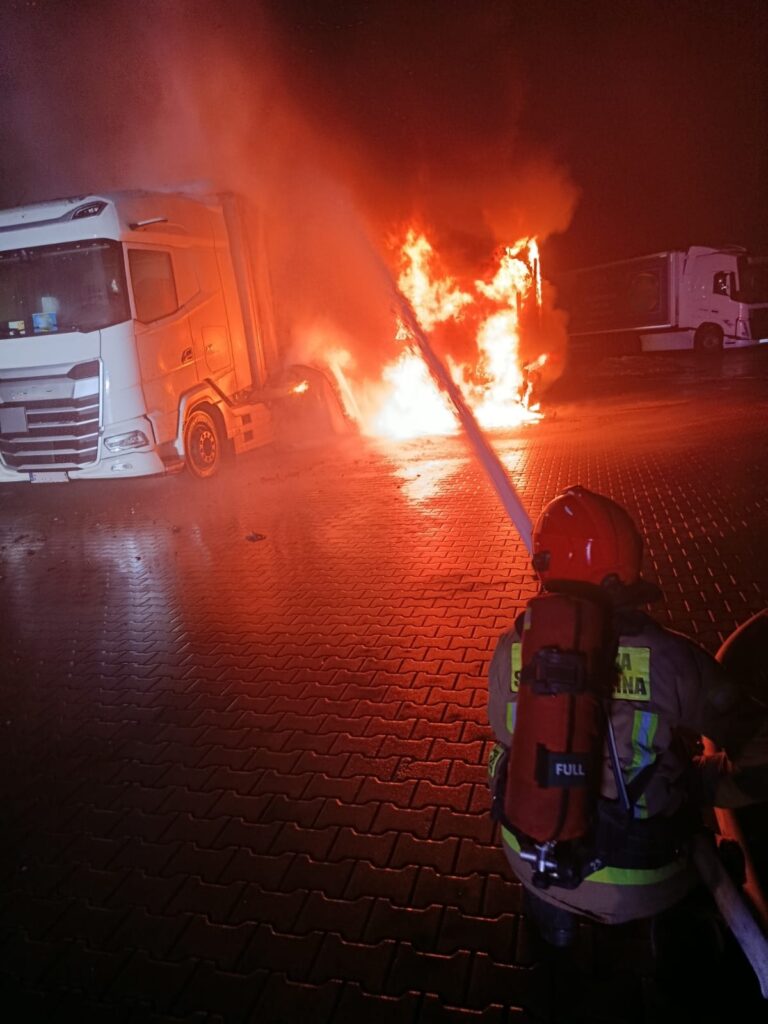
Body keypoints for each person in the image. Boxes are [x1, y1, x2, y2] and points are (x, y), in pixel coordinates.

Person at [487, 485, 768, 949]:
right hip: (646, 873)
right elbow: (759, 746)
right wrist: (704, 782)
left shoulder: (511, 649)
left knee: (501, 755)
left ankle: (553, 926)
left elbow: (505, 736)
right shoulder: (670, 657)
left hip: (531, 855)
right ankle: (672, 946)